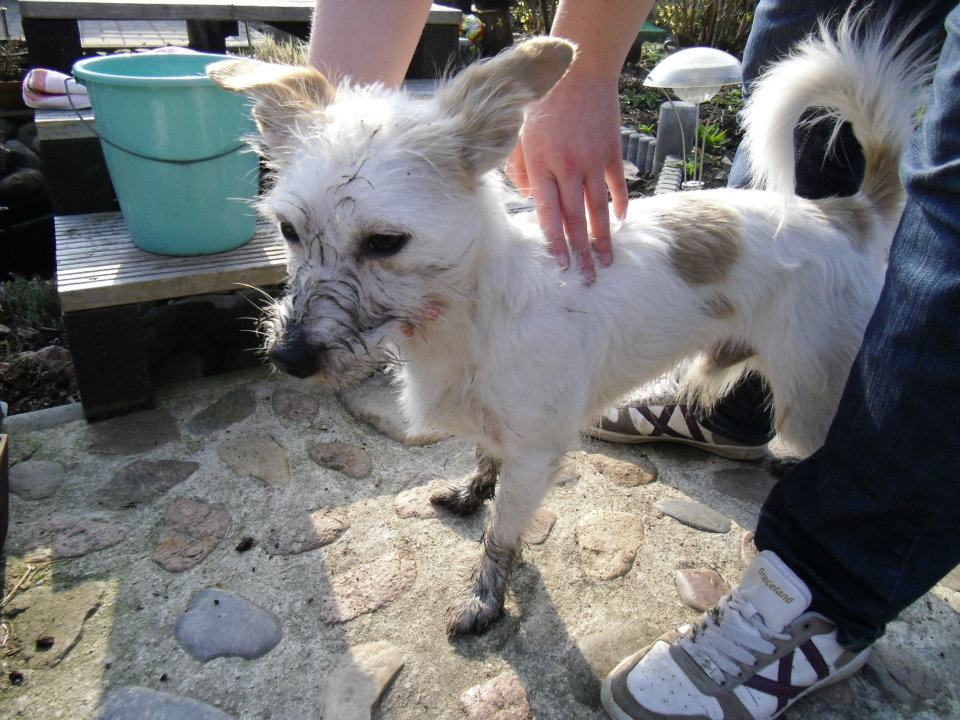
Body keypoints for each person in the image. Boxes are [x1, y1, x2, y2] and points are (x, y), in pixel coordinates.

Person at [308, 2, 960, 718]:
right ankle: (720, 420)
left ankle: (827, 587)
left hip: (813, 275)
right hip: (773, 260)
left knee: (815, 436)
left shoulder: (524, 323)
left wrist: (491, 568)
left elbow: (541, 453)